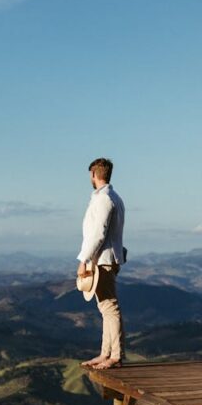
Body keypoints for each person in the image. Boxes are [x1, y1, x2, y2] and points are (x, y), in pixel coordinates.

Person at [78, 158, 126, 370]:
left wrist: (84, 259)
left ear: (94, 175)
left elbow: (98, 234)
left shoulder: (104, 199)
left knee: (109, 307)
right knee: (105, 307)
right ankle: (106, 353)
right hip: (107, 258)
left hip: (103, 260)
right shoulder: (113, 197)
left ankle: (114, 355)